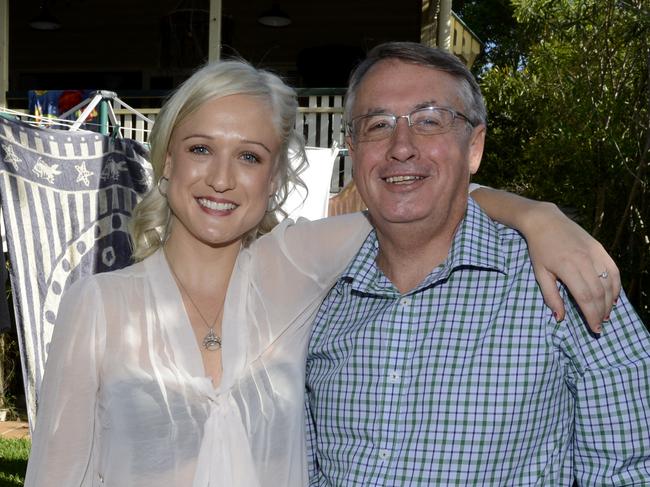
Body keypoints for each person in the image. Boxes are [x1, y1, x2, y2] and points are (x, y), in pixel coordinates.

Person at [25, 59, 620, 487]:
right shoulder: (98, 306)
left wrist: (537, 217)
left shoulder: (294, 267)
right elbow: (56, 474)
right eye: (202, 149)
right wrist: (538, 213)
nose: (222, 178)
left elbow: (416, 195)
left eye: (250, 156)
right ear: (167, 160)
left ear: (276, 177)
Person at [304, 42, 650, 486]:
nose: (401, 147)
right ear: (353, 149)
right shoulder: (316, 293)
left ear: (475, 147)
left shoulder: (560, 279)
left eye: (429, 121)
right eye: (378, 125)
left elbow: (632, 470)